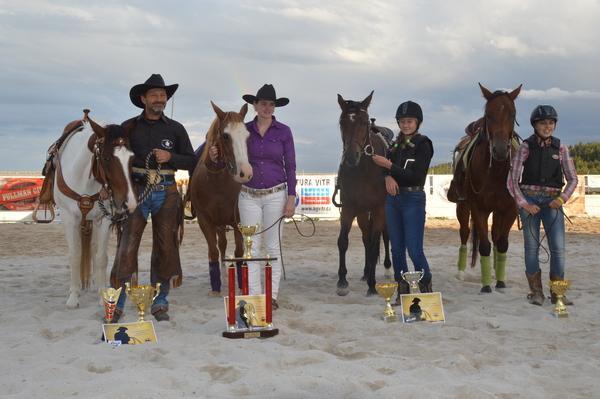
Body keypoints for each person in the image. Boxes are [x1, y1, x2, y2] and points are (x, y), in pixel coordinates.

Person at [110, 74, 196, 322]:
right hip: (136, 191)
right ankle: (119, 303)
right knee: (127, 246)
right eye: (154, 95)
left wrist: (171, 158)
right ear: (143, 98)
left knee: (166, 246)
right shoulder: (127, 127)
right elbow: (116, 160)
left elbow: (191, 160)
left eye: (163, 95)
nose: (160, 99)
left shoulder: (176, 129)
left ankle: (160, 301)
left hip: (167, 191)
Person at [208, 84, 296, 310]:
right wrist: (214, 154)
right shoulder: (243, 129)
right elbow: (230, 153)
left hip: (276, 194)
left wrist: (291, 196)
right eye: (263, 103)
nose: (267, 107)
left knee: (273, 247)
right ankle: (255, 295)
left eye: (271, 104)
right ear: (255, 105)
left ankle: (272, 295)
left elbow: (291, 166)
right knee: (251, 247)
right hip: (248, 195)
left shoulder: (284, 131)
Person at [507, 105, 578, 306]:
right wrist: (524, 204)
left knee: (558, 249)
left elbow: (572, 179)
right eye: (542, 123)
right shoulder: (525, 147)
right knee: (531, 248)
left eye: (550, 123)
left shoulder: (561, 148)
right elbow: (512, 180)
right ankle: (536, 292)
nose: (547, 126)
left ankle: (558, 293)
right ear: (535, 125)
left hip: (553, 204)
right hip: (529, 202)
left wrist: (562, 198)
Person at [372, 101, 434, 303]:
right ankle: (403, 289)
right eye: (402, 121)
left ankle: (425, 287)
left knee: (414, 249)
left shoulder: (424, 144)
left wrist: (389, 166)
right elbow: (384, 170)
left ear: (417, 122)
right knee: (396, 248)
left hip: (413, 199)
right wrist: (387, 176)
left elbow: (416, 176)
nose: (406, 125)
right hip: (393, 200)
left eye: (410, 121)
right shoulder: (395, 145)